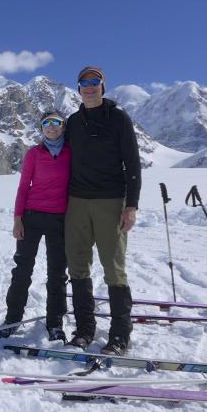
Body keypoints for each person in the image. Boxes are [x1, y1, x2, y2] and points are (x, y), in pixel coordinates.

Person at [64, 66, 141, 356]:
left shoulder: (118, 118)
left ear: (103, 86)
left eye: (95, 81)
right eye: (84, 82)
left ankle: (120, 335)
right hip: (77, 202)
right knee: (78, 266)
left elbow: (132, 164)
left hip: (111, 201)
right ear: (79, 88)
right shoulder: (73, 122)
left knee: (114, 269)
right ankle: (84, 329)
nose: (90, 86)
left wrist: (131, 205)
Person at [0, 110, 72, 342]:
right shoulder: (34, 154)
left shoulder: (71, 152)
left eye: (56, 123)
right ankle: (13, 319)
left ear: (63, 126)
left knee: (57, 273)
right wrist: (17, 219)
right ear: (41, 128)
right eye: (46, 123)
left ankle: (55, 323)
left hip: (60, 219)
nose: (51, 127)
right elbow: (23, 188)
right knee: (22, 270)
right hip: (31, 217)